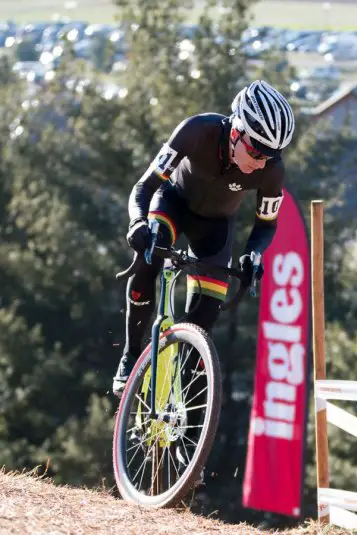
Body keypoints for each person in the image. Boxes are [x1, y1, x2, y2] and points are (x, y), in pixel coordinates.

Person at [112, 80, 295, 397]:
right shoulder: (197, 131)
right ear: (236, 129)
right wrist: (137, 221)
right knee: (148, 259)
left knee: (206, 314)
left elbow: (266, 225)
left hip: (215, 227)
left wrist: (253, 255)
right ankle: (130, 356)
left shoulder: (271, 172)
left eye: (267, 156)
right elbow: (144, 187)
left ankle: (179, 406)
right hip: (173, 204)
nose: (257, 162)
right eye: (254, 150)